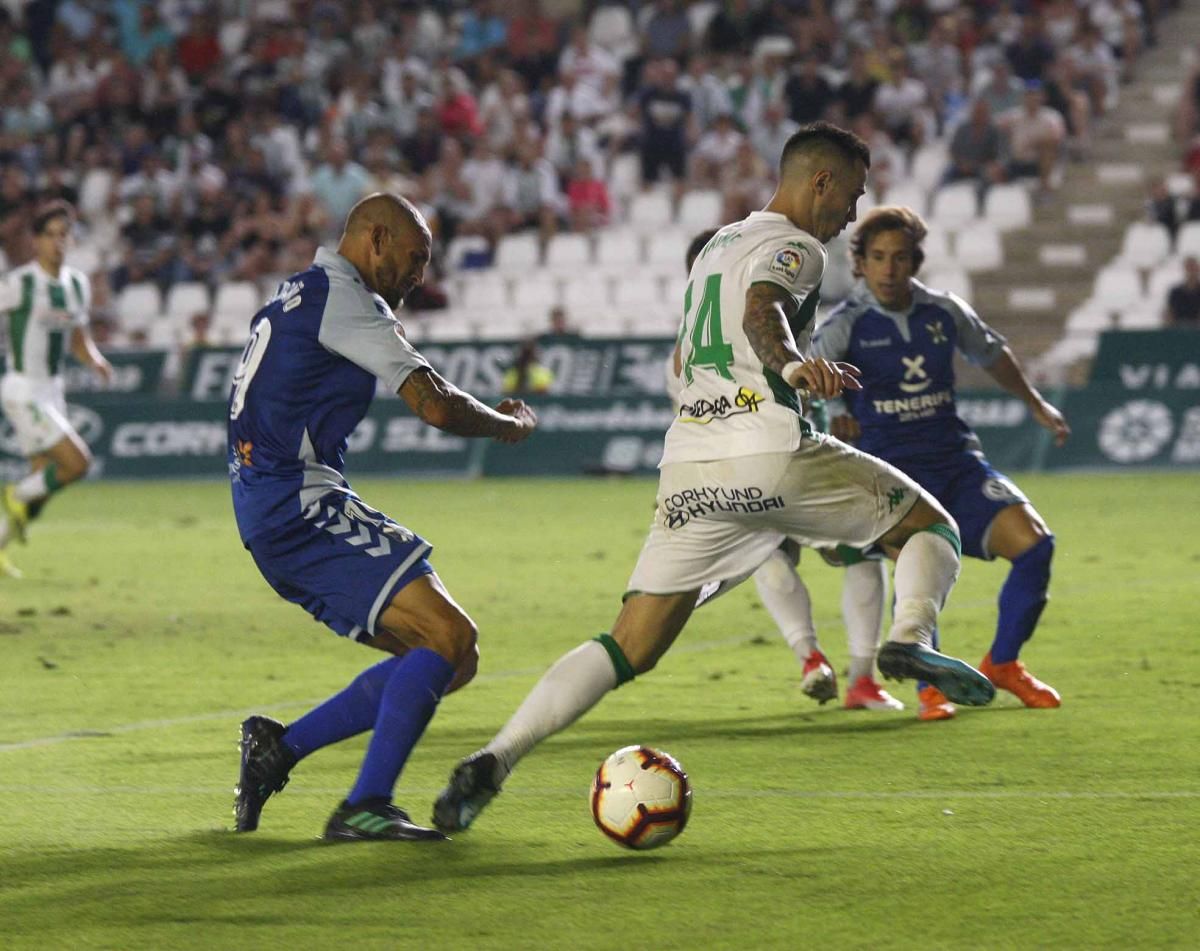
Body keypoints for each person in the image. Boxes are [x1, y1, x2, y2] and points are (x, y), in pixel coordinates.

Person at [433, 123, 995, 834]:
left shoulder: (718, 246)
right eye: (851, 195)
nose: (852, 212)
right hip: (769, 446)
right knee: (930, 526)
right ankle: (912, 634)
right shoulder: (798, 247)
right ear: (819, 182)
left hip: (692, 467)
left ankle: (495, 756)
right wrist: (792, 367)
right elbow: (764, 311)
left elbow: (734, 319)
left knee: (626, 644)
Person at [229, 193, 537, 842]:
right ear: (374, 239)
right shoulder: (347, 298)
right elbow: (434, 404)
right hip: (299, 504)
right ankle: (365, 804)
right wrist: (508, 424)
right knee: (448, 638)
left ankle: (278, 750)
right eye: (413, 257)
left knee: (450, 657)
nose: (420, 274)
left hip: (270, 507)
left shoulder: (299, 290)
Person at [811, 205, 1069, 716]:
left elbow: (991, 353)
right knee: (917, 572)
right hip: (892, 476)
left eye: (900, 258)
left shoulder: (944, 312)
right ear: (859, 264)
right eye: (878, 258)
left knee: (1036, 547)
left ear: (915, 262)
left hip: (957, 462)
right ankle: (930, 686)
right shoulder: (844, 326)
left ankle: (1003, 663)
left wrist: (1035, 403)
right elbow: (817, 385)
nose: (889, 269)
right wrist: (837, 411)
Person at [677, 229, 902, 713]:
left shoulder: (698, 350)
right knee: (852, 551)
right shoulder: (761, 320)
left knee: (781, 553)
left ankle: (823, 665)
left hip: (767, 461)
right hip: (787, 456)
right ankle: (845, 673)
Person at [0, 201, 112, 578]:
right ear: (36, 241)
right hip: (23, 389)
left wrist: (94, 360)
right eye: (49, 235)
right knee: (77, 463)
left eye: (63, 234)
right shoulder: (21, 283)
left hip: (53, 391)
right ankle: (12, 496)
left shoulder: (77, 285)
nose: (57, 242)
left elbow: (79, 338)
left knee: (42, 484)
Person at [1165, 256, 1200, 327]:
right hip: (1178, 328)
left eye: (1193, 267)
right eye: (1189, 267)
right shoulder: (1175, 292)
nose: (1191, 271)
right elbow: (1170, 312)